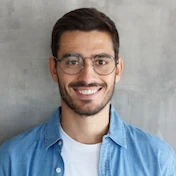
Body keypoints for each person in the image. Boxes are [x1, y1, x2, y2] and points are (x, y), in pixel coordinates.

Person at [0, 7, 175, 176]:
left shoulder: (157, 160)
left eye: (100, 61)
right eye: (73, 62)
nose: (87, 76)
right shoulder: (12, 160)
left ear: (118, 69)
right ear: (54, 69)